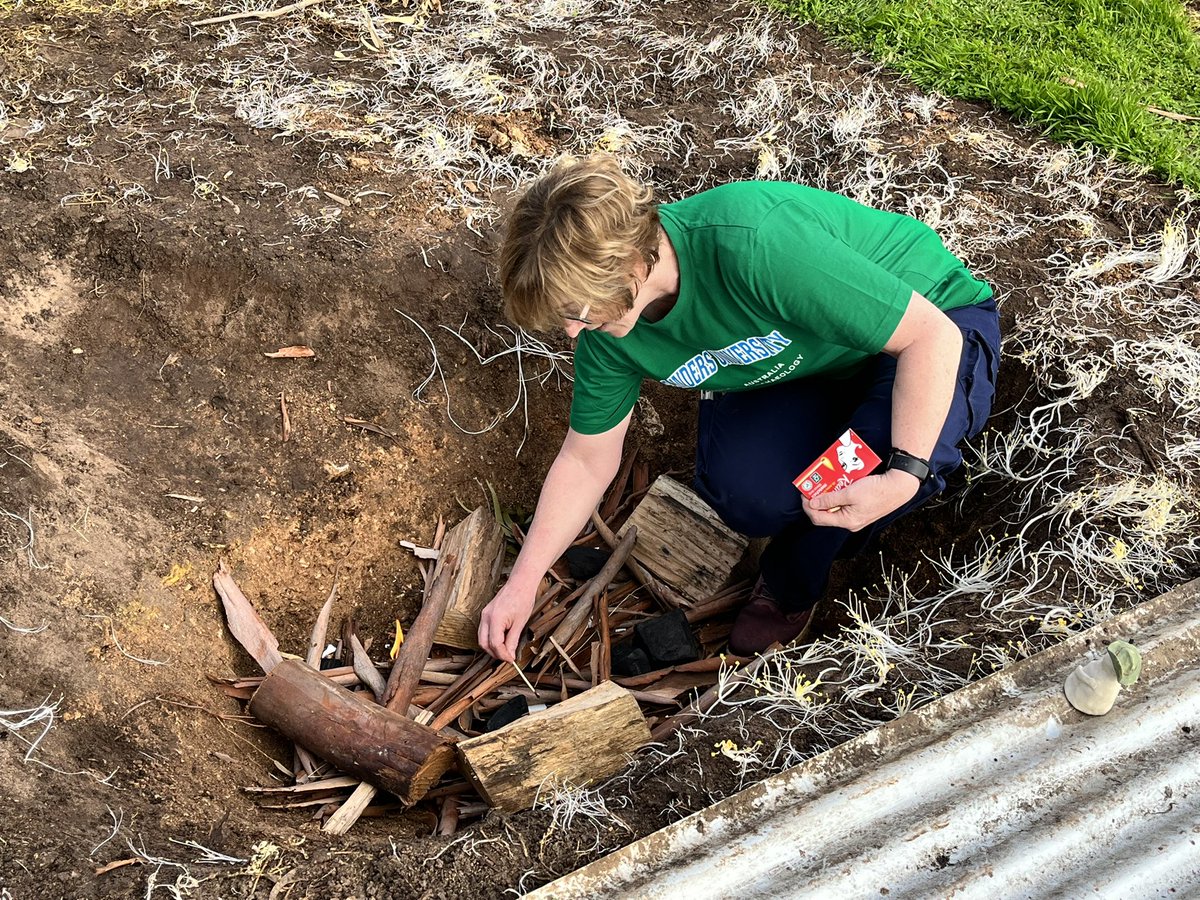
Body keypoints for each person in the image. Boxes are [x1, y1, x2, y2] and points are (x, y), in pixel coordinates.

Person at [477, 155, 1000, 661]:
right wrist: (523, 583)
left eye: (578, 309)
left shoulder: (755, 244)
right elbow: (586, 459)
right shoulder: (608, 334)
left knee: (863, 469)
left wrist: (906, 474)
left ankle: (791, 585)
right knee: (747, 493)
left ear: (630, 261)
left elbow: (930, 338)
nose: (572, 330)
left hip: (931, 326)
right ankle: (807, 426)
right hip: (811, 362)